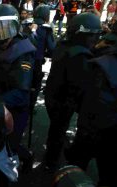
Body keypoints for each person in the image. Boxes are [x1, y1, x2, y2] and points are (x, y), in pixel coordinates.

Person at [65, 16, 117, 187]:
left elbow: (80, 98)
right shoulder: (101, 61)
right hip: (115, 142)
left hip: (93, 133)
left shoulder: (100, 62)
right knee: (109, 184)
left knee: (76, 178)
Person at [44, 13, 102, 170]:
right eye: (93, 36)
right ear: (85, 35)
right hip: (63, 102)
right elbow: (80, 87)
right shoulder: (80, 55)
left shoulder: (63, 45)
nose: (95, 40)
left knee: (55, 131)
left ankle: (51, 159)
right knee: (58, 132)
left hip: (52, 96)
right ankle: (52, 163)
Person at [0, 4, 36, 172]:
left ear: (14, 26)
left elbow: (20, 93)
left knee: (10, 145)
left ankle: (26, 158)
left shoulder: (22, 52)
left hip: (15, 107)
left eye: (4, 27)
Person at [30, 4, 56, 112]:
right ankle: (30, 108)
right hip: (36, 62)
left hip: (22, 59)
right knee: (35, 86)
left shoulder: (27, 24)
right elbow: (52, 49)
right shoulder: (46, 29)